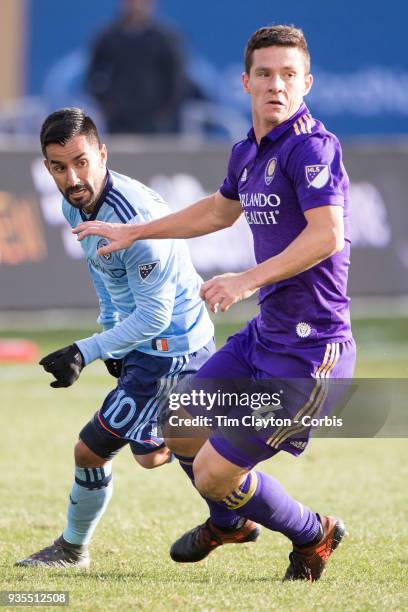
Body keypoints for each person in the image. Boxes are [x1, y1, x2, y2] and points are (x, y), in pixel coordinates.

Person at [73, 25, 356, 582]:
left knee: (212, 474)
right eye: (266, 74)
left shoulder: (313, 148)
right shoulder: (248, 151)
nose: (277, 85)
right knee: (178, 422)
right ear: (246, 81)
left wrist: (246, 280)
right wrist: (136, 231)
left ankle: (312, 532)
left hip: (310, 353)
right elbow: (218, 212)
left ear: (307, 83)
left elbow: (327, 235)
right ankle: (229, 523)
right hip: (264, 338)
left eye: (289, 75)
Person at [15, 107, 221, 568]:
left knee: (90, 448)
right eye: (59, 167)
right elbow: (106, 273)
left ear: (102, 154)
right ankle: (228, 494)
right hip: (154, 346)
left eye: (82, 161)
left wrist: (85, 350)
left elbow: (153, 316)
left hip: (171, 349)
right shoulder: (76, 201)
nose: (72, 177)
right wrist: (112, 334)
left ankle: (71, 550)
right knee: (151, 456)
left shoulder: (137, 222)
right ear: (47, 166)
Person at [85, 0, 187, 134]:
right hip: (119, 119)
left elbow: (176, 77)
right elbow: (93, 74)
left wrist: (166, 109)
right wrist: (105, 103)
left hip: (154, 120)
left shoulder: (165, 37)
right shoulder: (109, 36)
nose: (137, 6)